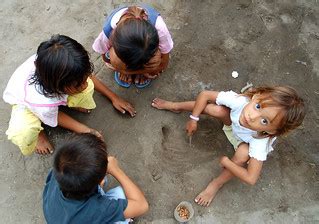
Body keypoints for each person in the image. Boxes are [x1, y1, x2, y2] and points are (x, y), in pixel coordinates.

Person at [152, 86, 305, 207]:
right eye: (258, 107)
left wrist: (227, 163)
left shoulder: (260, 141)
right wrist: (194, 118)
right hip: (231, 124)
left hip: (242, 142)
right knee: (215, 109)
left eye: (264, 121)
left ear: (272, 131)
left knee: (243, 154)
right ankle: (175, 106)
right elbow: (205, 95)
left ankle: (215, 184)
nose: (252, 116)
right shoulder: (240, 102)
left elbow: (251, 178)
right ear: (257, 96)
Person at [3, 34, 136, 156]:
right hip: (25, 103)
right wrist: (87, 131)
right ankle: (39, 133)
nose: (84, 84)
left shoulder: (59, 64)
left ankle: (68, 101)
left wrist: (114, 97)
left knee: (87, 88)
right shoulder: (44, 104)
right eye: (79, 84)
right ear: (58, 87)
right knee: (24, 132)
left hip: (51, 91)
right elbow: (56, 115)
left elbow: (86, 76)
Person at [43, 133, 149, 224]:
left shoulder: (60, 170)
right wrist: (115, 170)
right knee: (126, 194)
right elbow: (142, 205)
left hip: (60, 214)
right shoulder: (96, 210)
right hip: (85, 214)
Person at [93, 5, 173, 88]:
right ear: (112, 40)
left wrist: (153, 69)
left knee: (156, 60)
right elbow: (106, 59)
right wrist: (125, 70)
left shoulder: (160, 28)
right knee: (115, 60)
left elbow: (164, 62)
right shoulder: (108, 32)